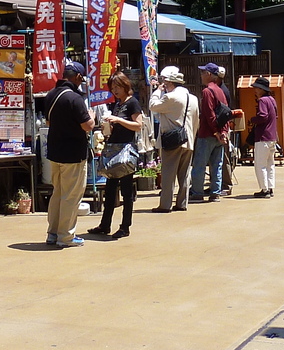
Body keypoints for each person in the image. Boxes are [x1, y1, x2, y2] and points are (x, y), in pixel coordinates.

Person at [42, 61, 95, 247]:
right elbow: (87, 126)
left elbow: (48, 122)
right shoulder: (75, 99)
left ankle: (53, 233)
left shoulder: (50, 95)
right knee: (71, 196)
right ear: (78, 77)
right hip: (73, 154)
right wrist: (92, 117)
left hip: (55, 152)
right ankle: (66, 236)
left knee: (58, 193)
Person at [90, 71, 144, 238]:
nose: (115, 91)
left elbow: (138, 125)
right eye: (112, 88)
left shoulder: (133, 103)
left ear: (125, 86)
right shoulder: (118, 104)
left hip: (126, 151)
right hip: (113, 150)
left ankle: (125, 226)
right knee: (110, 189)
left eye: (117, 87)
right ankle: (105, 224)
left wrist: (119, 120)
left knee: (127, 191)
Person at [149, 65, 198, 212]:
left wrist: (157, 91)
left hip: (172, 141)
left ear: (170, 83)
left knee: (168, 174)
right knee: (184, 174)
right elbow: (196, 121)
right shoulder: (193, 98)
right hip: (188, 140)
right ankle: (182, 203)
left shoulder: (170, 97)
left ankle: (165, 205)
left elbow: (153, 105)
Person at [190, 63, 231, 202]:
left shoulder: (208, 91)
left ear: (209, 74)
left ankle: (197, 193)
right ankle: (215, 193)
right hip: (219, 135)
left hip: (208, 134)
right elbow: (226, 113)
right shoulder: (220, 91)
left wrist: (216, 132)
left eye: (203, 73)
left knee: (199, 164)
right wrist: (223, 132)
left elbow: (209, 114)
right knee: (217, 165)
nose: (201, 75)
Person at [248, 76, 279, 198]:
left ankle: (264, 189)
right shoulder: (272, 100)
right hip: (272, 137)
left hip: (263, 137)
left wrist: (253, 119)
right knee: (270, 164)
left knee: (260, 165)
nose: (255, 90)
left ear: (262, 89)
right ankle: (270, 188)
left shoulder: (262, 101)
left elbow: (263, 116)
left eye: (256, 88)